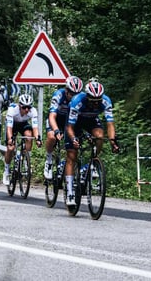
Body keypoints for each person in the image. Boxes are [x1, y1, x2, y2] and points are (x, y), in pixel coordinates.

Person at [65, 80, 118, 209]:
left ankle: (92, 164)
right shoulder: (77, 101)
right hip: (75, 123)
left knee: (100, 136)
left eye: (98, 101)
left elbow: (110, 124)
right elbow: (70, 128)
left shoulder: (106, 101)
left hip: (91, 120)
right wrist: (73, 139)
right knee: (72, 155)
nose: (96, 103)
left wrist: (113, 142)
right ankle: (70, 192)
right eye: (93, 101)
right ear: (87, 97)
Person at [44, 76, 83, 180]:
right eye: (72, 94)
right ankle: (48, 160)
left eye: (77, 94)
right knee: (52, 137)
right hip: (56, 120)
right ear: (66, 90)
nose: (74, 97)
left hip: (69, 122)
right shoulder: (58, 95)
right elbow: (52, 116)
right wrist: (56, 130)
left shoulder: (80, 99)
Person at [3, 94, 38, 186]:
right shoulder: (12, 110)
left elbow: (35, 127)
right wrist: (10, 139)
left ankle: (26, 160)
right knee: (10, 148)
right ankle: (6, 170)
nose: (27, 110)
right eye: (24, 107)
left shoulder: (33, 111)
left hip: (23, 124)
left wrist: (38, 139)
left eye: (29, 107)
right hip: (12, 125)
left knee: (29, 136)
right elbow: (9, 128)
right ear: (19, 106)